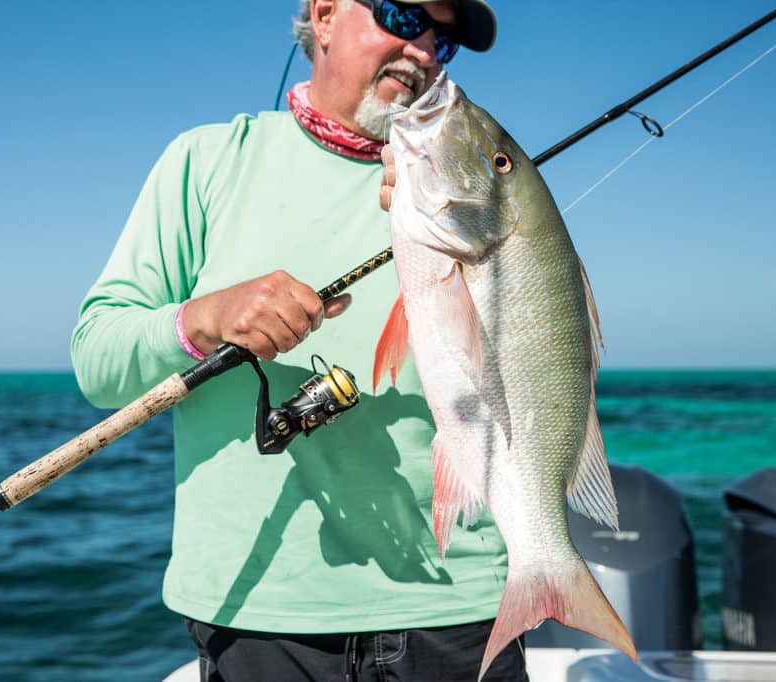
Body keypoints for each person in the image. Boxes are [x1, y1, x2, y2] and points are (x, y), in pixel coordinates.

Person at [70, 1, 524, 679]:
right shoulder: (206, 160)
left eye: (444, 40)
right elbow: (97, 358)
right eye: (403, 17)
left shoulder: (472, 185)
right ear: (325, 14)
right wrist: (203, 318)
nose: (425, 50)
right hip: (260, 609)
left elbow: (535, 362)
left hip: (460, 604)